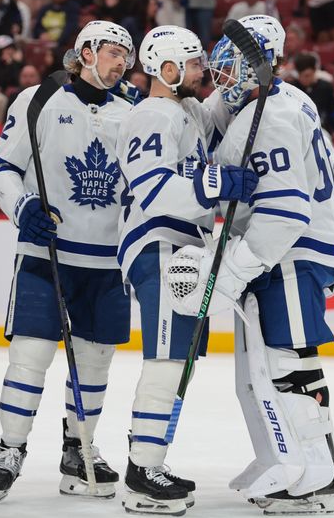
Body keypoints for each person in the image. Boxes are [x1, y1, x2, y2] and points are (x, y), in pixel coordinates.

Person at [198, 16, 334, 514]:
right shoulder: (287, 104)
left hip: (289, 252)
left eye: (234, 62)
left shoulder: (270, 116)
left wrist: (234, 270)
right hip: (298, 247)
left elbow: (285, 213)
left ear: (259, 64)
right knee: (282, 363)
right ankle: (296, 461)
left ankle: (307, 475)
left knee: (281, 363)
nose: (221, 73)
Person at [0, 20, 136, 503]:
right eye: (113, 52)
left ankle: (80, 448)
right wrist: (23, 206)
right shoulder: (38, 99)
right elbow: (1, 168)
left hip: (109, 260)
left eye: (126, 56)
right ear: (87, 52)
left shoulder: (134, 110)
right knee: (29, 357)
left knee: (95, 362)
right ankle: (10, 448)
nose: (121, 63)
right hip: (45, 255)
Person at [117, 26, 258, 516]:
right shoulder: (152, 114)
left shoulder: (184, 109)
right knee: (165, 358)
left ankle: (150, 457)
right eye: (195, 64)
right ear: (169, 70)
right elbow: (154, 187)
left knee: (181, 356)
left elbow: (217, 110)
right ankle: (141, 471)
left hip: (183, 246)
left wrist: (239, 78)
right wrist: (217, 183)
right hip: (158, 242)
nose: (203, 72)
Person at [292, 53, 334, 137]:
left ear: (315, 71)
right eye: (300, 76)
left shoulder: (325, 88)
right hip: (297, 131)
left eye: (307, 75)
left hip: (321, 130)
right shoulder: (293, 89)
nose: (303, 79)